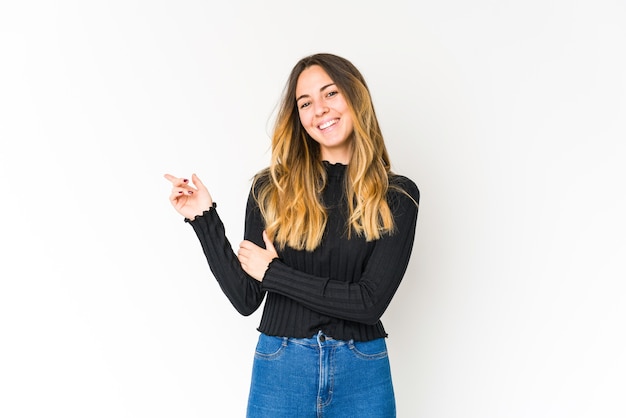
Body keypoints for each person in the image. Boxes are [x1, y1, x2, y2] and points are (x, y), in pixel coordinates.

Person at [164, 53, 419, 417]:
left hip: (362, 371)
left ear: (354, 97)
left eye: (330, 94)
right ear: (298, 117)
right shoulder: (270, 189)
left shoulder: (397, 196)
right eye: (305, 102)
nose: (319, 110)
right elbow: (246, 297)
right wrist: (204, 218)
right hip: (281, 368)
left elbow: (368, 303)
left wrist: (275, 273)